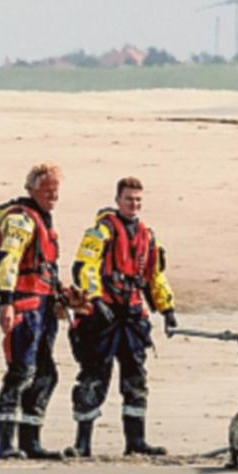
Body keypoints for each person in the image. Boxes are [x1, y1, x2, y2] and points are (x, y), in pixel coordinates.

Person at [65, 176, 178, 457]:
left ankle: (136, 441)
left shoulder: (148, 236)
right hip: (102, 316)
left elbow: (155, 276)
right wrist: (94, 297)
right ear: (117, 201)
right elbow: (84, 266)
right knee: (93, 376)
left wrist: (167, 308)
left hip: (132, 316)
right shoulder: (101, 231)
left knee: (135, 378)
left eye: (138, 199)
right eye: (129, 199)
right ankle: (82, 443)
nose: (134, 204)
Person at [0, 163, 66, 460]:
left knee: (46, 374)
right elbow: (7, 262)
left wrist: (60, 295)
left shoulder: (44, 220)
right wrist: (6, 301)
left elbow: (46, 266)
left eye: (56, 191)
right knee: (21, 372)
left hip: (44, 306)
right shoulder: (22, 221)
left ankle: (31, 441)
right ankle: (6, 444)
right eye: (47, 190)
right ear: (32, 189)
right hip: (24, 304)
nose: (52, 196)